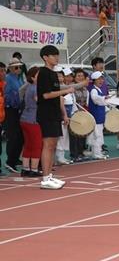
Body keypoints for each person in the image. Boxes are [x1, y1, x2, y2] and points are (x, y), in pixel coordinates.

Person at [36, 45, 75, 189]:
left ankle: (49, 176)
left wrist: (66, 91)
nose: (56, 57)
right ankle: (45, 178)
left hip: (54, 113)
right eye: (53, 55)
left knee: (52, 145)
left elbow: (55, 93)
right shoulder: (44, 73)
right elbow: (45, 95)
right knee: (48, 145)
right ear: (45, 57)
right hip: (46, 114)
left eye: (57, 55)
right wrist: (66, 90)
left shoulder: (53, 74)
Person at [19, 66, 43, 178]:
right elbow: (40, 101)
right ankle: (33, 169)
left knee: (28, 144)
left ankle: (25, 168)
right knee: (37, 144)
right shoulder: (35, 88)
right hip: (33, 119)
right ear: (33, 77)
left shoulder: (29, 87)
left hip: (25, 118)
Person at [4, 57, 24, 173]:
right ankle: (10, 161)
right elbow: (7, 96)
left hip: (19, 110)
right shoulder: (8, 79)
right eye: (16, 67)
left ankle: (15, 158)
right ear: (10, 68)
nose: (18, 69)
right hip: (11, 110)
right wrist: (15, 100)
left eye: (19, 67)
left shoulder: (20, 79)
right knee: (13, 136)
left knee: (20, 136)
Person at [87, 71, 109, 160]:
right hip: (95, 115)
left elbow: (102, 102)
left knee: (99, 134)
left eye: (102, 79)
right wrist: (104, 98)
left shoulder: (98, 90)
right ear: (94, 80)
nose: (101, 81)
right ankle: (96, 153)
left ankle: (98, 152)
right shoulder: (93, 90)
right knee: (96, 135)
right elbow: (95, 99)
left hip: (100, 116)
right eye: (99, 79)